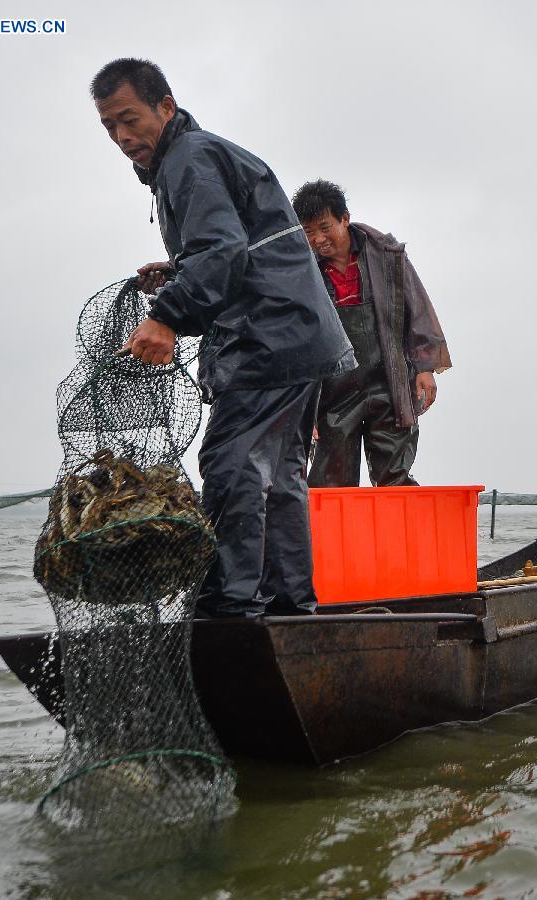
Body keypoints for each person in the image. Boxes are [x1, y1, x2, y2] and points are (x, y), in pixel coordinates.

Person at [91, 59, 354, 617]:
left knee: (231, 462)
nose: (122, 137)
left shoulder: (189, 157)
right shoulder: (194, 158)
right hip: (298, 338)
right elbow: (241, 246)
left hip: (268, 339)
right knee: (281, 479)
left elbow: (223, 253)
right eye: (110, 127)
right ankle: (289, 607)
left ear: (166, 107)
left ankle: (229, 608)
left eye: (130, 119)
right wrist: (177, 270)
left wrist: (166, 315)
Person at [291, 180, 451, 487]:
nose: (318, 239)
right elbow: (297, 340)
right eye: (309, 232)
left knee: (395, 476)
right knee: (330, 479)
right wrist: (304, 407)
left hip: (387, 380)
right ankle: (335, 536)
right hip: (332, 393)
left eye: (325, 227)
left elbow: (416, 309)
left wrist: (424, 368)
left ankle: (399, 533)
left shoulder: (387, 255)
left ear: (345, 218)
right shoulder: (302, 271)